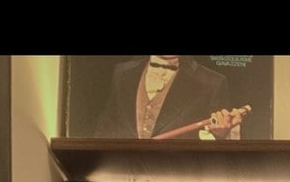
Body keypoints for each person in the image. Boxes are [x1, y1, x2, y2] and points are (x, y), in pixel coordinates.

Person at [93, 54, 247, 142]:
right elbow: (105, 128)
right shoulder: (121, 72)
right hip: (123, 175)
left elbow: (217, 147)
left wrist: (220, 133)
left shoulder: (213, 82)